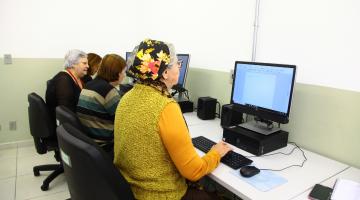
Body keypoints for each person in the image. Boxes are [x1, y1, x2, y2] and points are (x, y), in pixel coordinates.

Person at [113, 39, 232, 200]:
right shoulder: (165, 107)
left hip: (130, 189)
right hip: (161, 195)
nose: (179, 67)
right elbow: (193, 171)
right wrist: (215, 153)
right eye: (177, 63)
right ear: (165, 73)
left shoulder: (127, 97)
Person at [77, 54, 126, 156]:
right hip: (105, 144)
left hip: (89, 139)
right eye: (123, 71)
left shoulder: (90, 84)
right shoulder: (107, 91)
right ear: (116, 72)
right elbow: (123, 121)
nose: (124, 75)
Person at [46, 49, 88, 121]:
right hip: (65, 127)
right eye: (84, 63)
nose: (88, 66)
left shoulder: (77, 78)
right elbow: (65, 112)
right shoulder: (63, 80)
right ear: (73, 64)